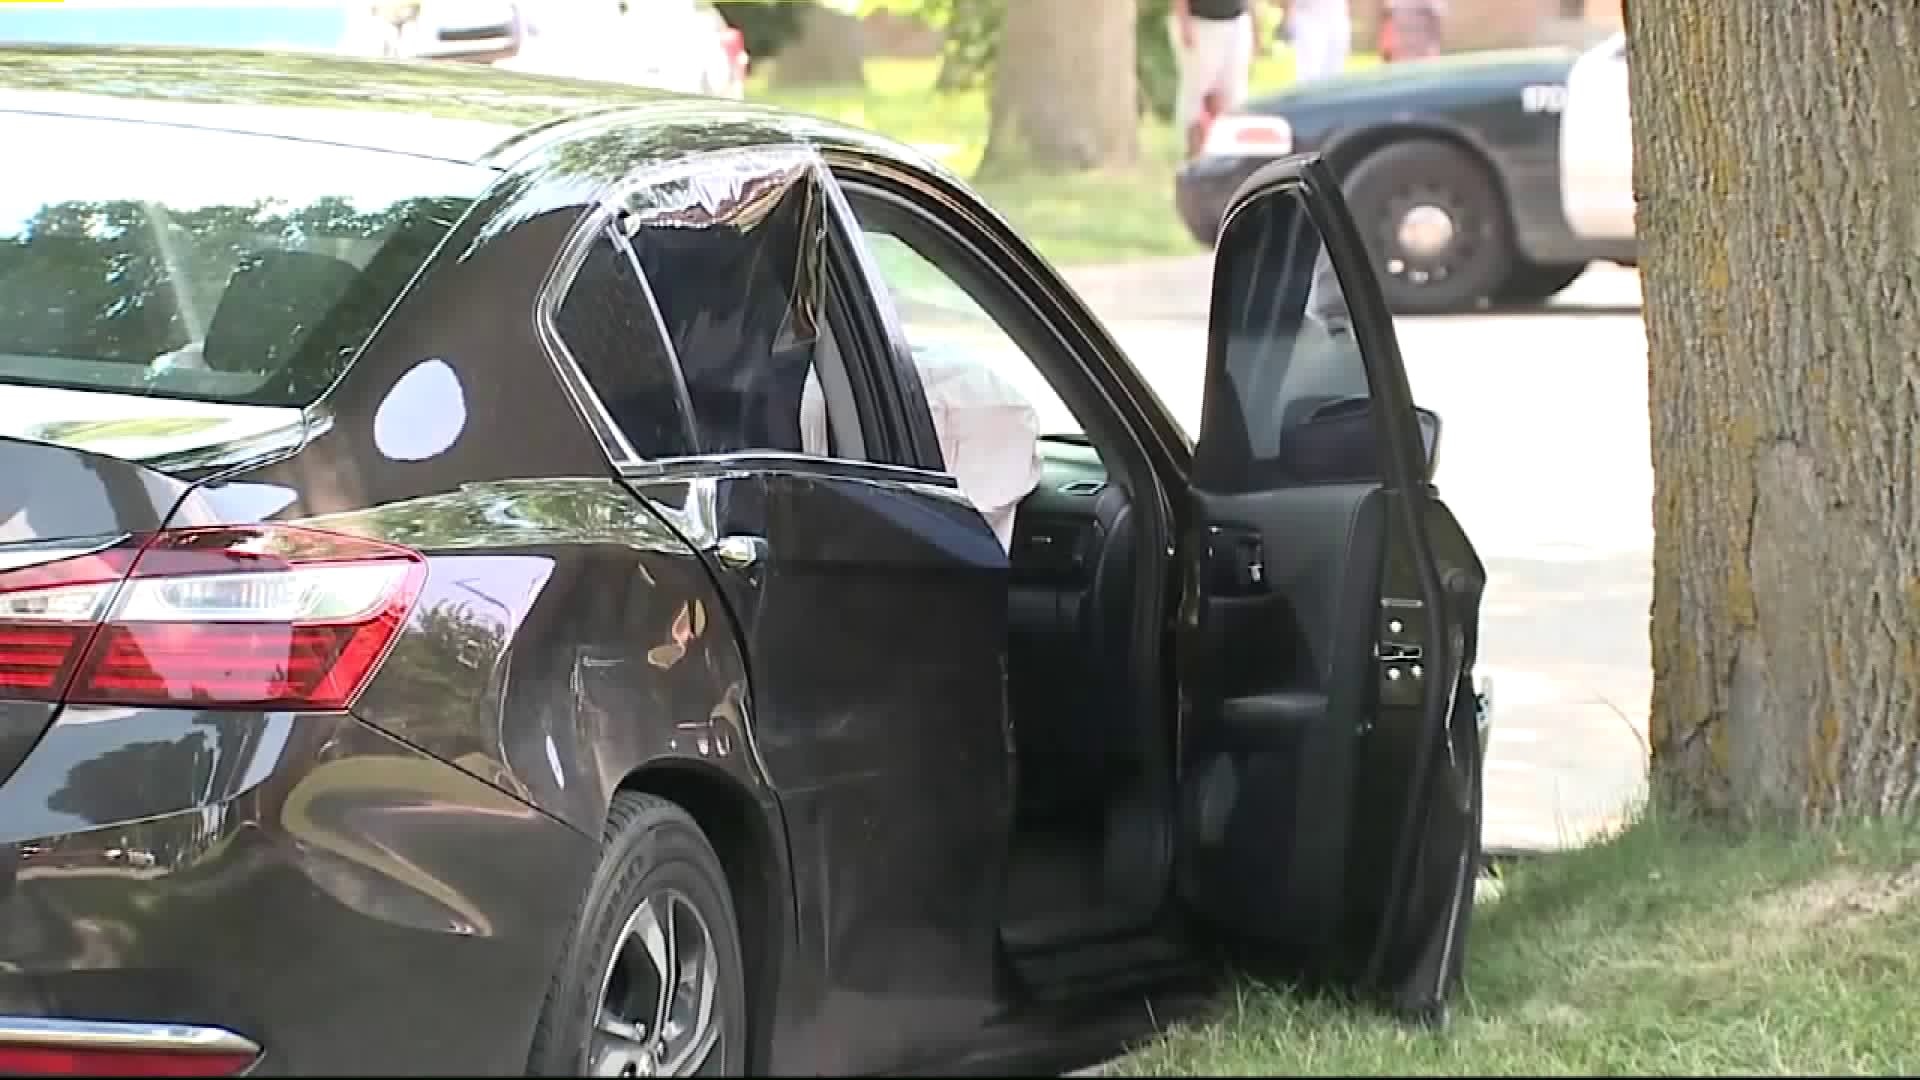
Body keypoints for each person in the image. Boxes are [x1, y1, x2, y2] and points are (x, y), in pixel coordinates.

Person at [1171, 0, 1259, 159]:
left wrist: (1255, 29)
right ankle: (1195, 153)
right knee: (1196, 91)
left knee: (1234, 93)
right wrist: (1184, 23)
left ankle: (1229, 152)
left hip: (1237, 21)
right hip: (1200, 22)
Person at [1285, 0, 1352, 83]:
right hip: (1309, 17)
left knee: (1335, 72)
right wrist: (1290, 17)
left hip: (1337, 15)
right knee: (1310, 73)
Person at [1380, 0, 1446, 62]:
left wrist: (1433, 49)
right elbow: (1388, 23)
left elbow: (1436, 24)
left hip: (1424, 53)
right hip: (1402, 54)